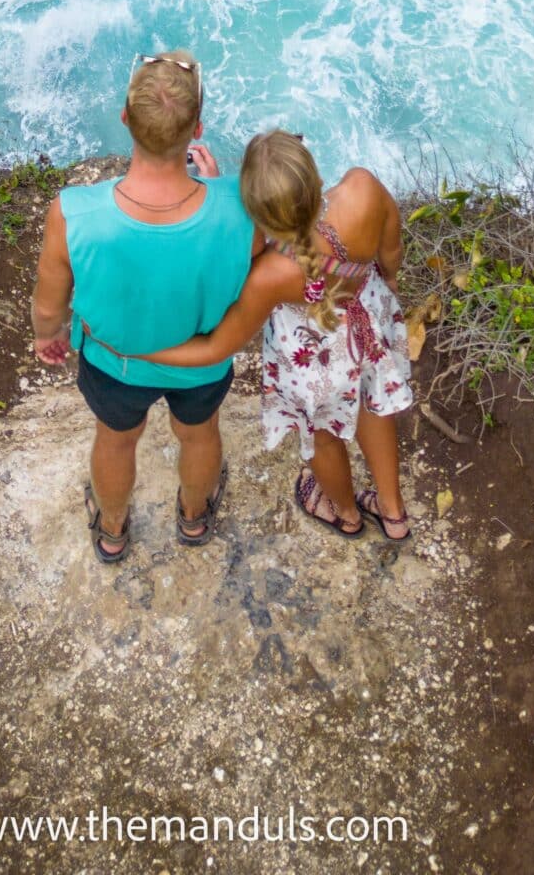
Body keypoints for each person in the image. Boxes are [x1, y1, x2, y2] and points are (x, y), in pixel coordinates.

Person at [31, 53, 256, 566]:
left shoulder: (74, 212)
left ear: (125, 118)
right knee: (199, 434)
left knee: (116, 439)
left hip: (115, 365)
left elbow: (49, 306)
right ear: (197, 128)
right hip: (201, 363)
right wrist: (220, 187)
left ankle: (112, 532)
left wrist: (48, 335)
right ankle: (194, 518)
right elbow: (249, 263)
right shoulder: (241, 207)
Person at [135, 130, 414, 543]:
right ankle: (393, 514)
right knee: (374, 408)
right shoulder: (362, 189)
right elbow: (391, 251)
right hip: (368, 329)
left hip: (315, 365)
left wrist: (140, 350)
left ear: (260, 214)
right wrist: (387, 281)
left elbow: (218, 346)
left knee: (321, 437)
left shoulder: (268, 270)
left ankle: (347, 515)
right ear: (314, 175)